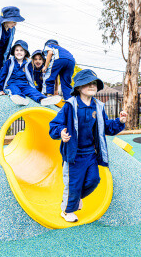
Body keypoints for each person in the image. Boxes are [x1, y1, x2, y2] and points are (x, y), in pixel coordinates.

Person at [49, 69, 127, 223]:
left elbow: (106, 127)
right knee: (74, 184)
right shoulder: (70, 106)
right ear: (78, 87)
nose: (91, 86)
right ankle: (67, 210)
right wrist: (61, 132)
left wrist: (120, 122)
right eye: (87, 83)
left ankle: (77, 197)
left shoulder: (98, 106)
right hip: (74, 154)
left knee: (93, 180)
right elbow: (54, 125)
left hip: (91, 153)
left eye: (94, 83)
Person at [0, 40, 61, 106]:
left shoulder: (28, 64)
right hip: (11, 83)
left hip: (24, 84)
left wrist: (32, 87)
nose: (19, 52)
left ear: (25, 52)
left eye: (21, 50)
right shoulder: (9, 62)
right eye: (17, 50)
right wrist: (0, 89)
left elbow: (30, 77)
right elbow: (2, 75)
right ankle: (20, 99)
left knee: (32, 91)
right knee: (14, 90)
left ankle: (43, 99)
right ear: (14, 52)